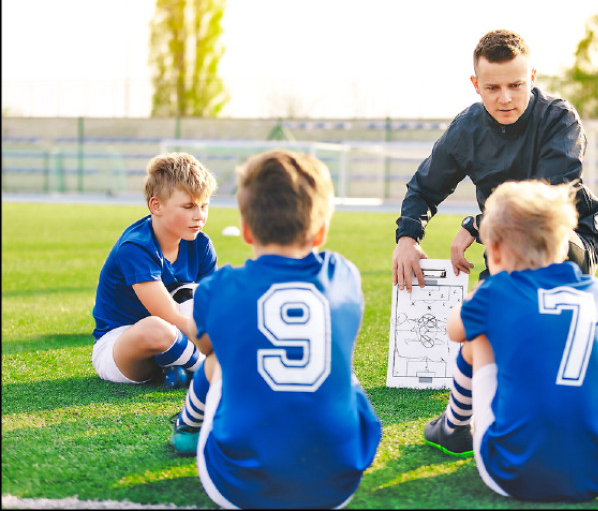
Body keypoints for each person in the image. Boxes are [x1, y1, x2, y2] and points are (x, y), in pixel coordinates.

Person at [170, 149, 382, 509]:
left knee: (218, 359)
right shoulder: (344, 275)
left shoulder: (219, 287)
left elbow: (207, 347)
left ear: (247, 229)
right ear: (321, 231)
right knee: (337, 361)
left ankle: (187, 427)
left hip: (238, 488)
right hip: (338, 485)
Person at [423, 179, 598, 501]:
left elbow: (455, 330)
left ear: (493, 248)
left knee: (476, 339)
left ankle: (453, 427)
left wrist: (479, 294)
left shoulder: (496, 292)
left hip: (517, 474)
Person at [393, 29, 598, 293]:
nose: (505, 98)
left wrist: (476, 225)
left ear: (532, 77)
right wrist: (407, 239)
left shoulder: (560, 119)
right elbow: (423, 189)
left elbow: (545, 200)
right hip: (501, 251)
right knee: (483, 322)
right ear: (476, 85)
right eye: (492, 88)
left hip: (564, 242)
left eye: (515, 85)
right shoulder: (466, 129)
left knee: (544, 240)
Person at [90, 152, 217, 387]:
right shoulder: (136, 246)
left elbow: (210, 306)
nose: (199, 216)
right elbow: (168, 317)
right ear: (156, 205)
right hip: (123, 345)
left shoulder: (201, 244)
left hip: (179, 335)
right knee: (156, 328)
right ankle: (213, 372)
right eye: (189, 206)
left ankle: (181, 368)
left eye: (204, 205)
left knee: (202, 299)